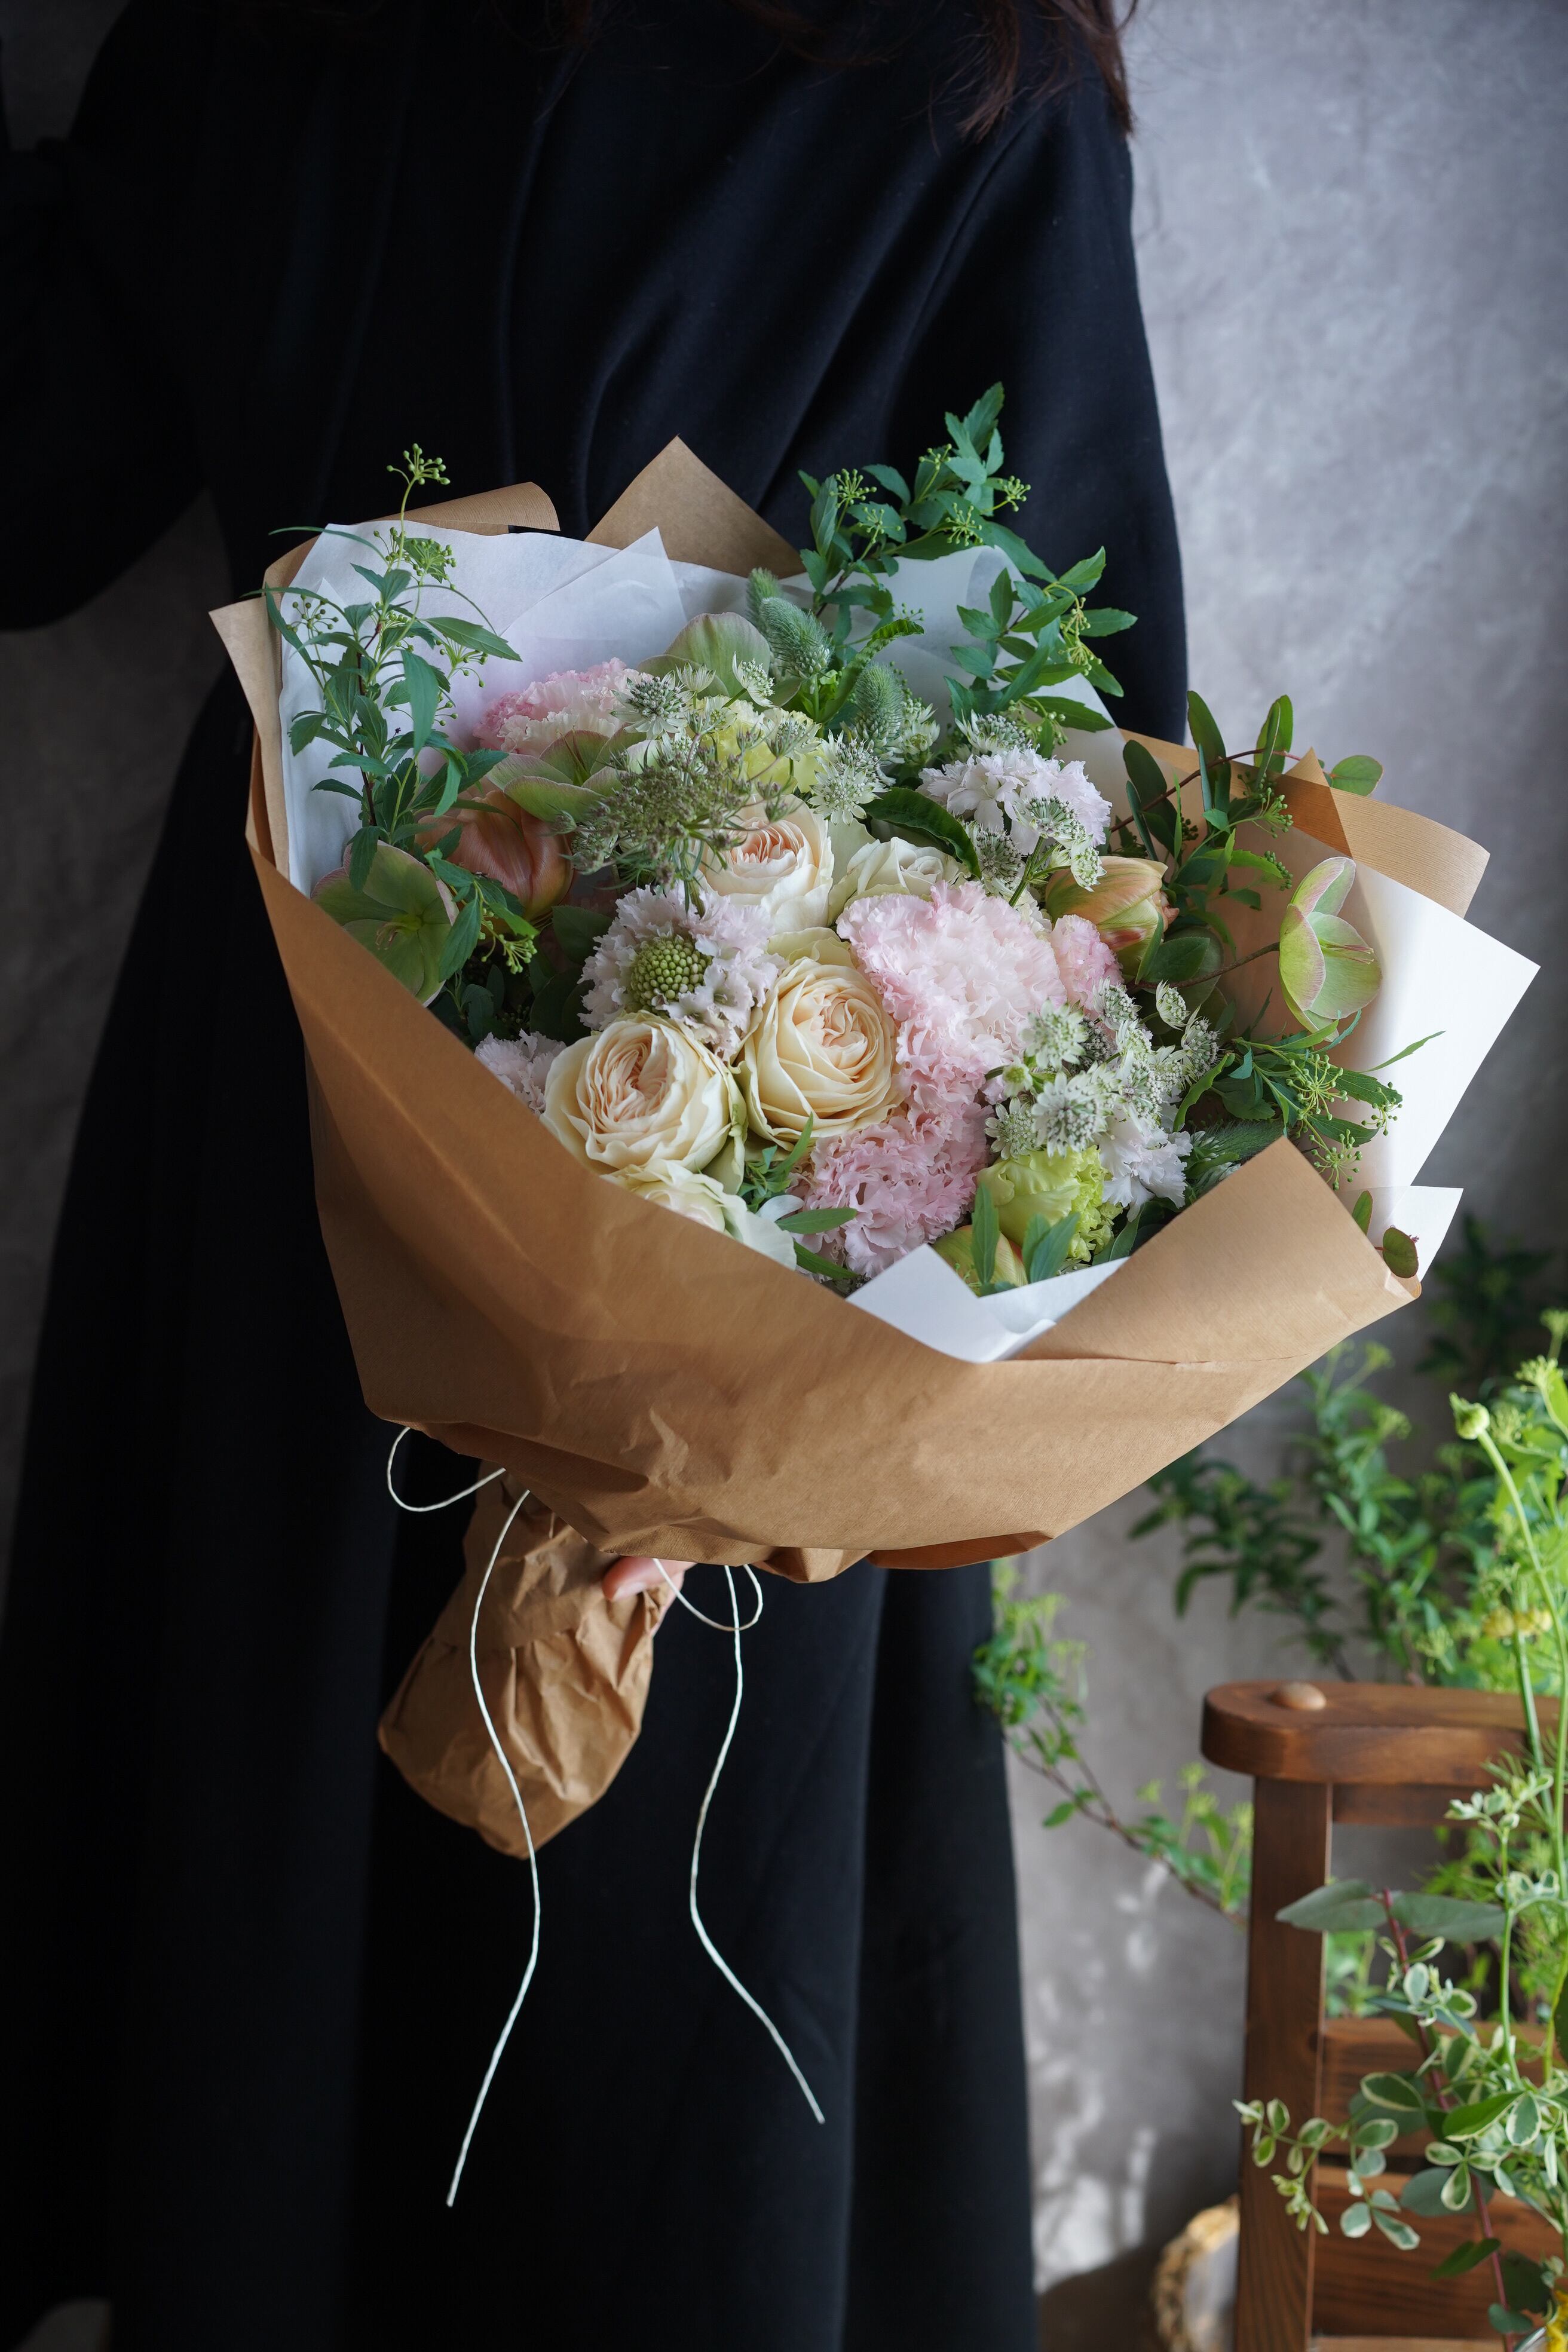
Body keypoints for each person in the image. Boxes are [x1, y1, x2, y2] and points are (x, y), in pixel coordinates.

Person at [0, 5, 1183, 2347]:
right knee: (369, 1966)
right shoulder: (269, 38)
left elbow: (1068, 770)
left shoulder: (958, 68)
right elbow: (36, 477)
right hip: (430, 1080)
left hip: (731, 1100)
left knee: (624, 1996)